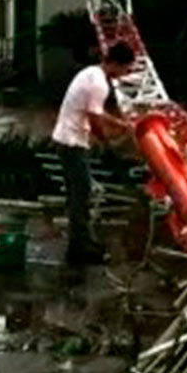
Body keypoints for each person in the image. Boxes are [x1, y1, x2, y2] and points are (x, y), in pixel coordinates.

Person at [51, 41, 136, 264]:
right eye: (126, 69)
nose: (124, 75)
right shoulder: (100, 85)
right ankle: (79, 247)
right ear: (116, 64)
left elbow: (94, 110)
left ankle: (80, 241)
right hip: (72, 142)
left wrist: (119, 123)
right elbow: (94, 119)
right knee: (81, 193)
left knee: (76, 193)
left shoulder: (91, 73)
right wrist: (109, 143)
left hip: (65, 138)